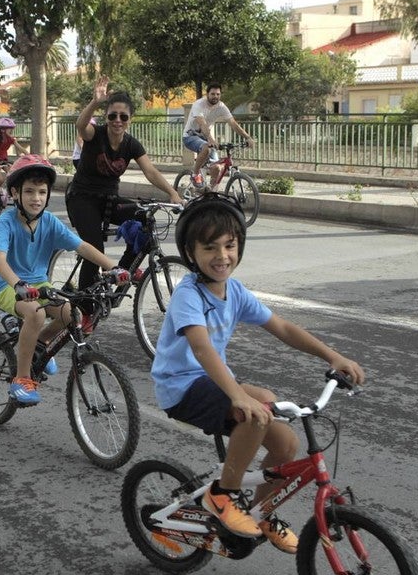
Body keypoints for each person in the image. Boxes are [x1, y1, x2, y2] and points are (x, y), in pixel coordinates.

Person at [151, 194, 365, 553]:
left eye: (229, 245)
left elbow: (282, 327)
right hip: (181, 387)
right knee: (258, 408)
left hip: (215, 381)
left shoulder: (234, 291)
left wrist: (333, 356)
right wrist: (237, 395)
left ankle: (262, 511)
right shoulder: (189, 295)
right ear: (190, 253)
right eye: (210, 248)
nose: (222, 256)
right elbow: (201, 348)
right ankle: (222, 495)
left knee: (286, 444)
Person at [0, 155, 129, 405]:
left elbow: (82, 246)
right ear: (15, 193)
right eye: (29, 191)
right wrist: (18, 285)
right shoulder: (6, 222)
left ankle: (39, 343)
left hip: (38, 282)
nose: (36, 198)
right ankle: (21, 379)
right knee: (36, 314)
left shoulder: (49, 222)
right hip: (6, 283)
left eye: (42, 192)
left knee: (73, 315)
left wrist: (114, 268)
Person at [67, 76, 182, 293]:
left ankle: (121, 273)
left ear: (130, 119)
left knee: (146, 222)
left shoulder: (131, 144)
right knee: (94, 251)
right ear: (106, 117)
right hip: (82, 198)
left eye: (123, 116)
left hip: (109, 200)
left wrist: (172, 193)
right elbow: (81, 126)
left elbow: (150, 171)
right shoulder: (95, 135)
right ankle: (85, 306)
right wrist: (95, 102)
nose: (117, 120)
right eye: (112, 115)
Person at [183, 83, 254, 188]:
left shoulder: (221, 106)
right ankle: (195, 174)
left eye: (218, 94)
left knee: (216, 167)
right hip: (190, 136)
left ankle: (210, 191)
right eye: (213, 94)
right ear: (207, 94)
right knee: (207, 148)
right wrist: (210, 139)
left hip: (205, 138)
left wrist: (248, 137)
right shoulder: (199, 105)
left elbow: (233, 123)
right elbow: (202, 123)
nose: (215, 96)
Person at [0, 116, 28, 203]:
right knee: (0, 180)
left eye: (12, 129)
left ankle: (9, 193)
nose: (12, 130)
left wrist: (29, 155)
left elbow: (20, 148)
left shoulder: (11, 139)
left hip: (4, 160)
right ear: (2, 130)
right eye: (10, 129)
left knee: (12, 175)